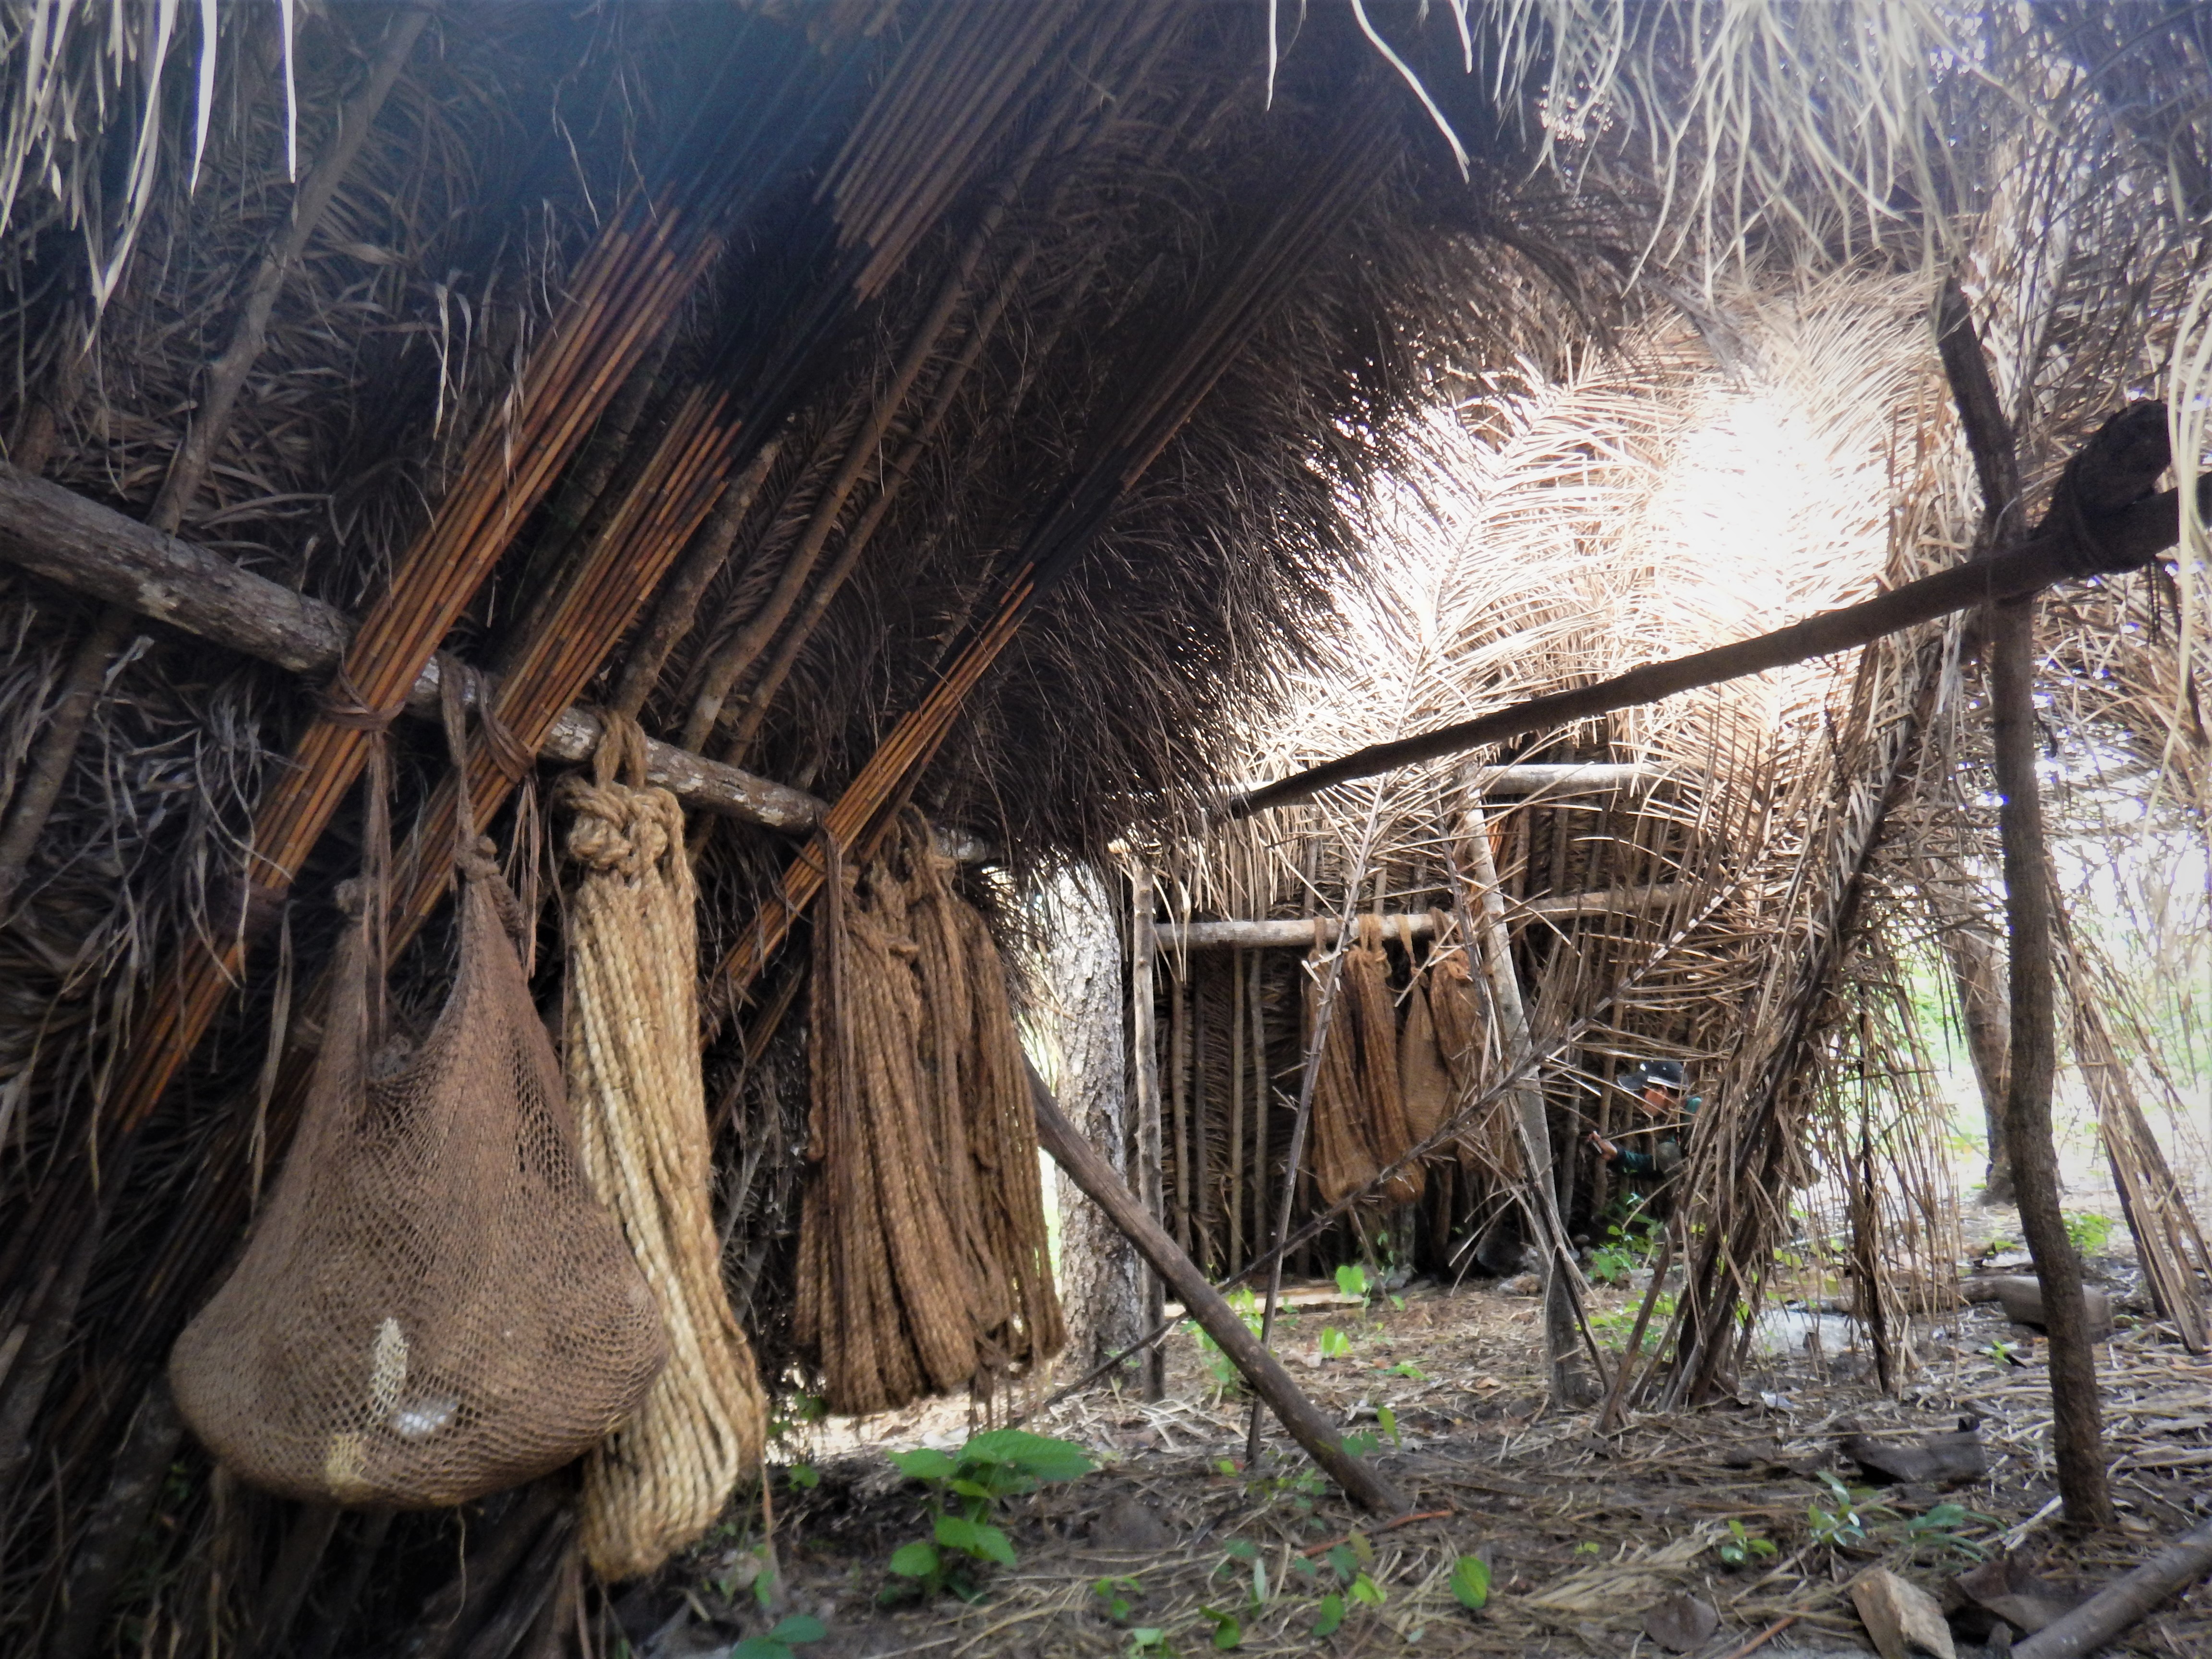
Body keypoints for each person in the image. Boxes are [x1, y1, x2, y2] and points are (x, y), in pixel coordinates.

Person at [1588, 1059, 1697, 1185]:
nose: (1642, 1101)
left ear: (1661, 1092)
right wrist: (1617, 1157)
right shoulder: (1682, 1118)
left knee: (1666, 1150)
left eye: (1643, 1092)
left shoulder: (1696, 1112)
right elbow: (1657, 1168)